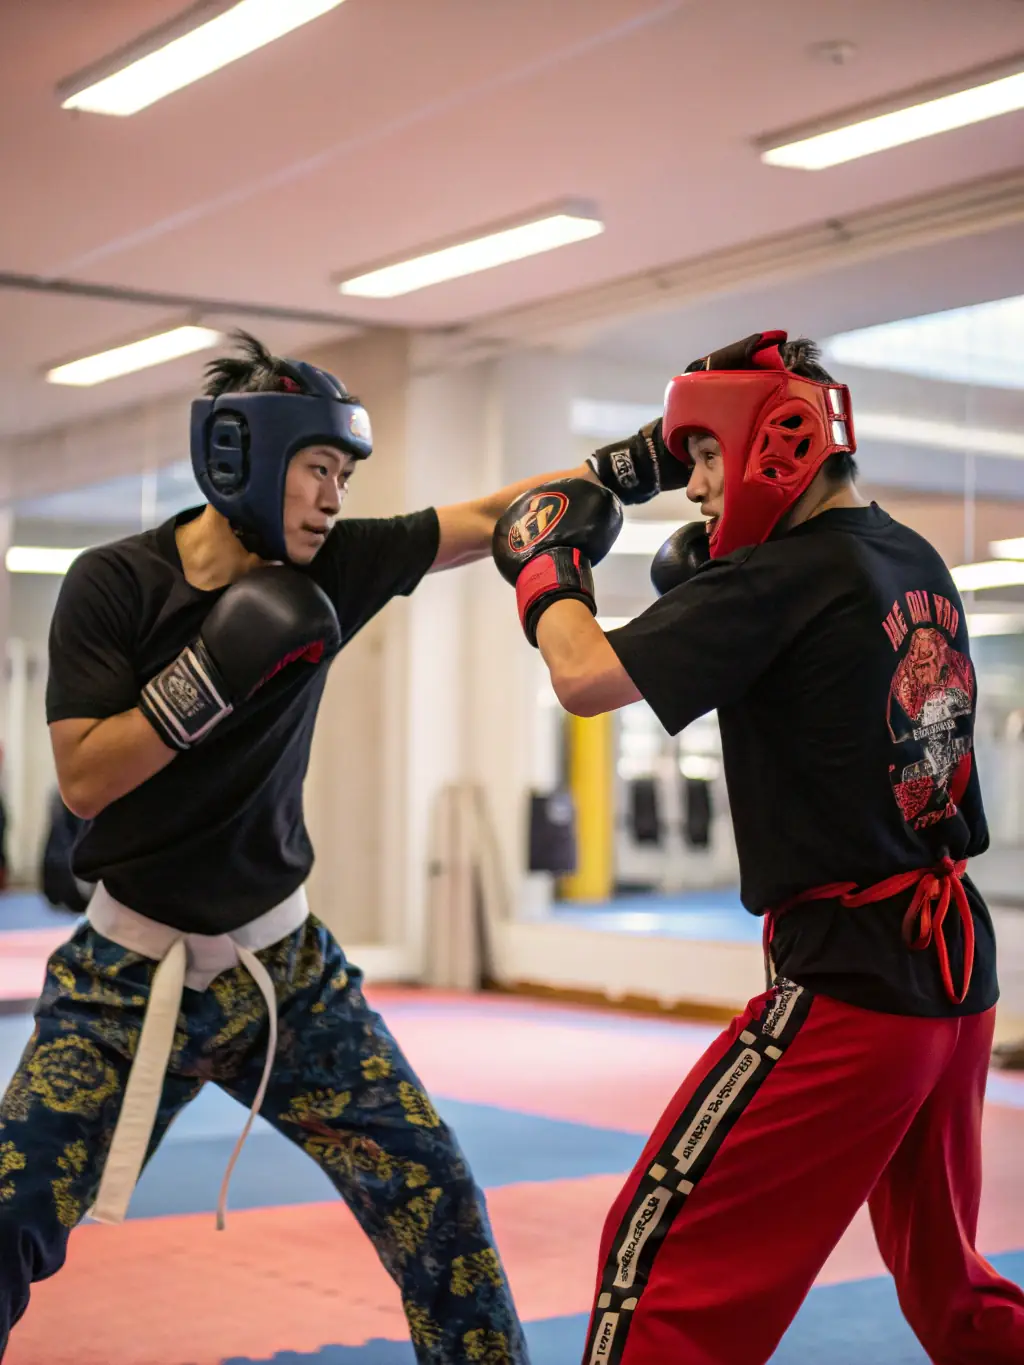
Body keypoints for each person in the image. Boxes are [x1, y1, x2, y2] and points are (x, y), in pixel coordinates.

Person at [0, 330, 600, 1364]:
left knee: (435, 1194)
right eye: (318, 468)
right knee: (8, 1215)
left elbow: (484, 520)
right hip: (125, 975)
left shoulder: (330, 564)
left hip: (288, 969)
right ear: (243, 458)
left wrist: (644, 461)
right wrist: (210, 674)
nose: (334, 496)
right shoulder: (112, 584)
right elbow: (86, 779)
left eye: (343, 473)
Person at [492, 330, 1024, 1364]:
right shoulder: (907, 554)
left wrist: (545, 567)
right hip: (955, 985)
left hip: (851, 989)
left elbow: (583, 677)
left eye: (703, 455)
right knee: (951, 1291)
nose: (694, 486)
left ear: (772, 443)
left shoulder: (782, 578)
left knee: (658, 1279)